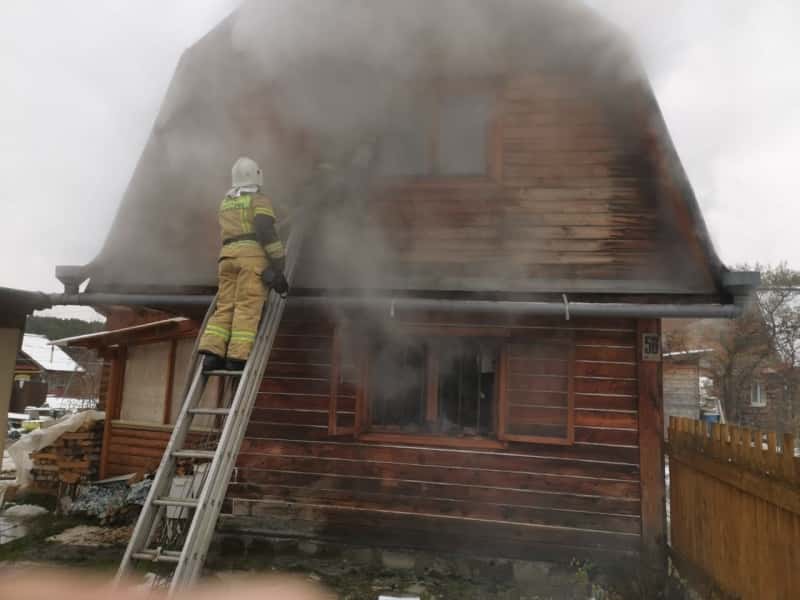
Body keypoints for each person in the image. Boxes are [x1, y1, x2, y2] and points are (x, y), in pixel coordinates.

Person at [198, 157, 289, 372]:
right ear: (257, 176)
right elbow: (266, 231)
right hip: (251, 258)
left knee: (226, 305)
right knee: (247, 306)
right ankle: (237, 358)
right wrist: (278, 260)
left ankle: (212, 353)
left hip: (227, 259)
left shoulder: (226, 202)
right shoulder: (259, 200)